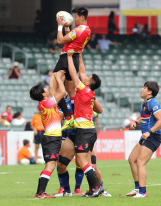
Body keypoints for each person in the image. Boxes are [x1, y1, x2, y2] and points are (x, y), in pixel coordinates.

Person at [66, 50, 102, 197]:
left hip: (84, 131)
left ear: (88, 82)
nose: (85, 76)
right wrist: (79, 56)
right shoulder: (90, 92)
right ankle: (95, 188)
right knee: (85, 161)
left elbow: (74, 73)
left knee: (81, 160)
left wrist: (69, 57)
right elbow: (81, 71)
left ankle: (95, 187)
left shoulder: (83, 90)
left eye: (88, 77)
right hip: (90, 130)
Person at [50, 7, 91, 125]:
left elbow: (61, 41)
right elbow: (72, 40)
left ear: (82, 17)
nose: (74, 19)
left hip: (65, 59)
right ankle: (73, 116)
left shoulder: (78, 30)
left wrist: (60, 26)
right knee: (71, 91)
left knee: (53, 90)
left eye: (76, 17)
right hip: (75, 59)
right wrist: (67, 28)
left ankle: (66, 117)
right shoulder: (87, 30)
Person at [30, 70, 65, 198]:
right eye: (45, 88)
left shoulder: (45, 103)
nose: (47, 89)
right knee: (50, 165)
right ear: (43, 94)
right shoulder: (46, 103)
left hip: (51, 137)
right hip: (52, 138)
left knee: (48, 165)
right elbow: (62, 93)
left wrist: (54, 76)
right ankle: (40, 193)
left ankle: (40, 192)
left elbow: (52, 89)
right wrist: (60, 80)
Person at [127, 81, 161, 198]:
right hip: (146, 136)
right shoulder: (145, 103)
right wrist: (136, 122)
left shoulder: (153, 103)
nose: (142, 89)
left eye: (144, 88)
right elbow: (144, 116)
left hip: (154, 136)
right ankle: (137, 189)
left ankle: (142, 192)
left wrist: (149, 131)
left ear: (150, 92)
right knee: (132, 159)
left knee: (140, 162)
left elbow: (160, 120)